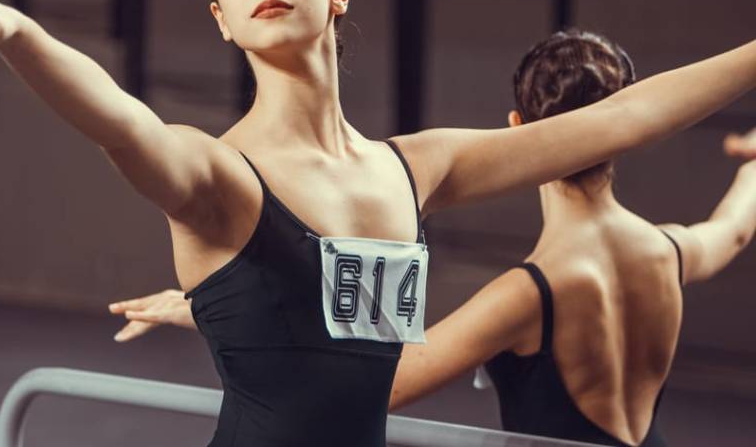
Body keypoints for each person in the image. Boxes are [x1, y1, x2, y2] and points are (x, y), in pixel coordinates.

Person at [0, 0, 756, 446]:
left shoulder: (419, 167)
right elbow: (120, 122)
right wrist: (23, 37)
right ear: (220, 17)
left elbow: (627, 116)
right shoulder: (217, 181)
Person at [110, 30, 756, 446]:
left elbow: (369, 382)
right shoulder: (669, 250)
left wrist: (222, 312)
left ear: (517, 127)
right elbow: (730, 231)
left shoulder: (530, 292)